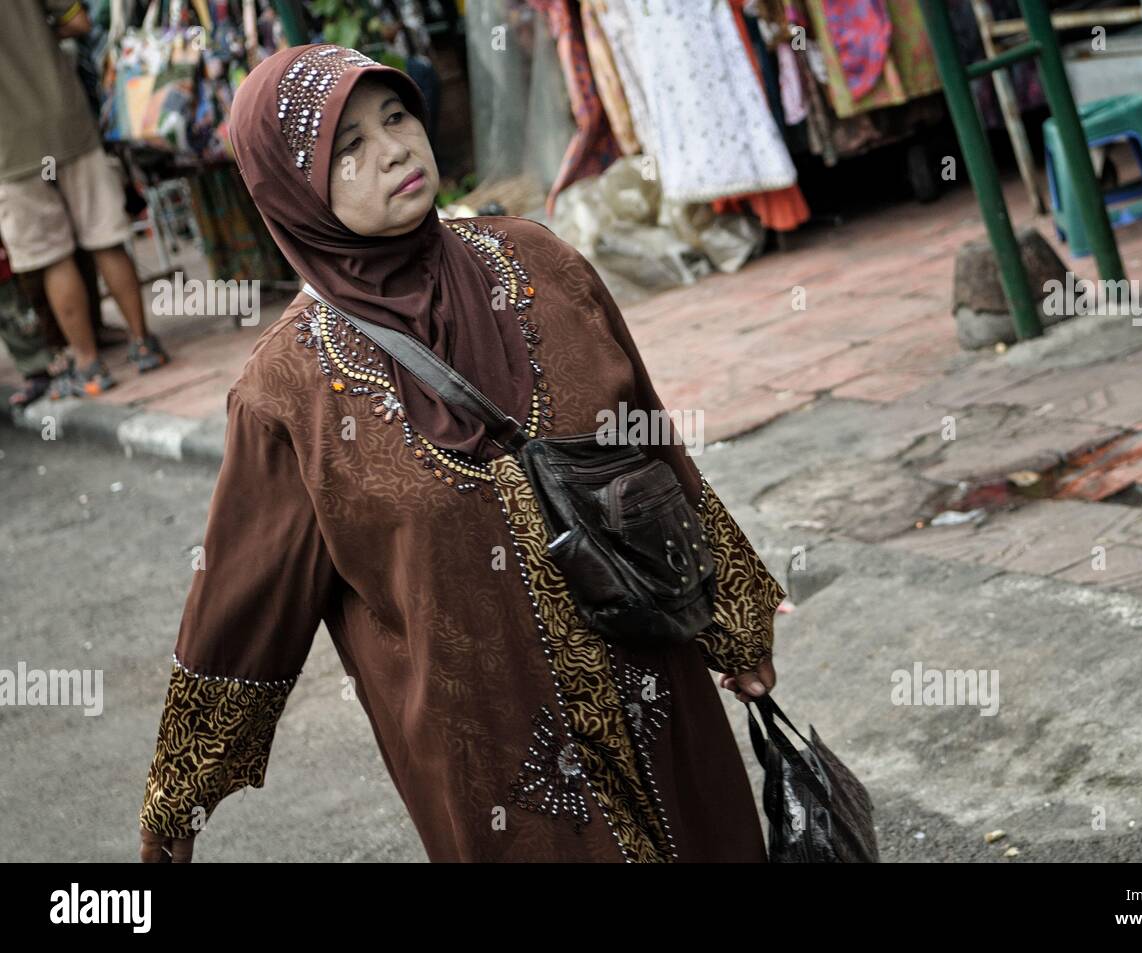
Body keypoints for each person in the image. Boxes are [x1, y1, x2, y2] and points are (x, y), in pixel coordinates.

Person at [137, 44, 784, 863]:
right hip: (497, 771)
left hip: (659, 696)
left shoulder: (541, 264)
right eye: (348, 147)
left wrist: (734, 624)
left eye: (397, 116)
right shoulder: (290, 391)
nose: (396, 150)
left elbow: (652, 446)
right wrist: (172, 813)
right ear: (290, 190)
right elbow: (241, 606)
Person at [0, 1, 169, 399]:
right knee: (104, 236)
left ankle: (90, 365)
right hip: (68, 122)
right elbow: (77, 20)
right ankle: (143, 344)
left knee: (52, 256)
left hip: (10, 149)